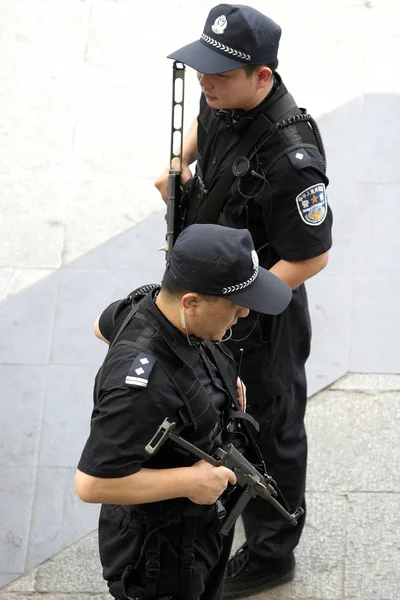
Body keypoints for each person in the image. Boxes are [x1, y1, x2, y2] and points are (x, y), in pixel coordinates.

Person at [155, 4, 333, 598]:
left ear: (263, 76)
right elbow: (206, 124)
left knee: (270, 429)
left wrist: (241, 305)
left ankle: (270, 552)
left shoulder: (293, 158)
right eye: (203, 71)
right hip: (211, 301)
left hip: (261, 316)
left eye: (220, 76)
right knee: (212, 411)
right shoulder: (223, 90)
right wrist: (179, 162)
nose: (206, 84)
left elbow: (312, 256)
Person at [75, 223, 292, 600]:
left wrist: (218, 387)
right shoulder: (140, 391)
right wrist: (189, 482)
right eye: (234, 303)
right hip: (161, 556)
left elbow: (101, 326)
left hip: (200, 531)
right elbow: (91, 484)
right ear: (190, 302)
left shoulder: (153, 304)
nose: (243, 312)